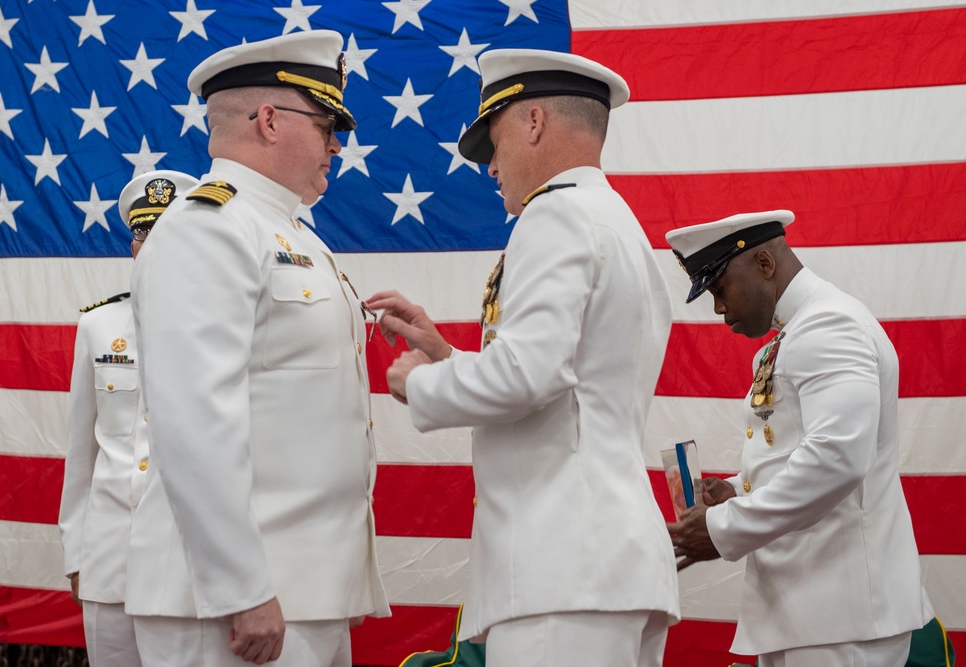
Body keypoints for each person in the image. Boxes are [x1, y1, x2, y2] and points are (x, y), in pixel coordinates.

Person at [366, 48, 679, 667]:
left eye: (495, 141)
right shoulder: (616, 221)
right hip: (605, 565)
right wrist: (446, 350)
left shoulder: (555, 215)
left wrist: (419, 382)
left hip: (562, 567)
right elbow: (568, 382)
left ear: (534, 122)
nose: (491, 169)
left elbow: (529, 376)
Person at [125, 31, 389, 667]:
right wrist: (241, 588)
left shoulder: (288, 230)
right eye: (327, 123)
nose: (336, 144)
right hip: (233, 603)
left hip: (302, 590)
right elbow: (194, 421)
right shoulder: (207, 226)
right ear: (269, 120)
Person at [664, 210, 933, 666]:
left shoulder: (830, 326)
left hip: (841, 619)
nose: (719, 308)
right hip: (813, 614)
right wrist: (738, 490)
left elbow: (837, 458)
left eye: (719, 288)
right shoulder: (799, 332)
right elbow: (802, 452)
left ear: (764, 264)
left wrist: (723, 529)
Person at [58, 169, 198, 666]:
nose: (151, 244)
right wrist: (77, 554)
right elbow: (82, 454)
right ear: (132, 245)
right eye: (142, 233)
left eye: (166, 233)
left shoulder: (229, 326)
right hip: (109, 559)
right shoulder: (98, 326)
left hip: (190, 567)